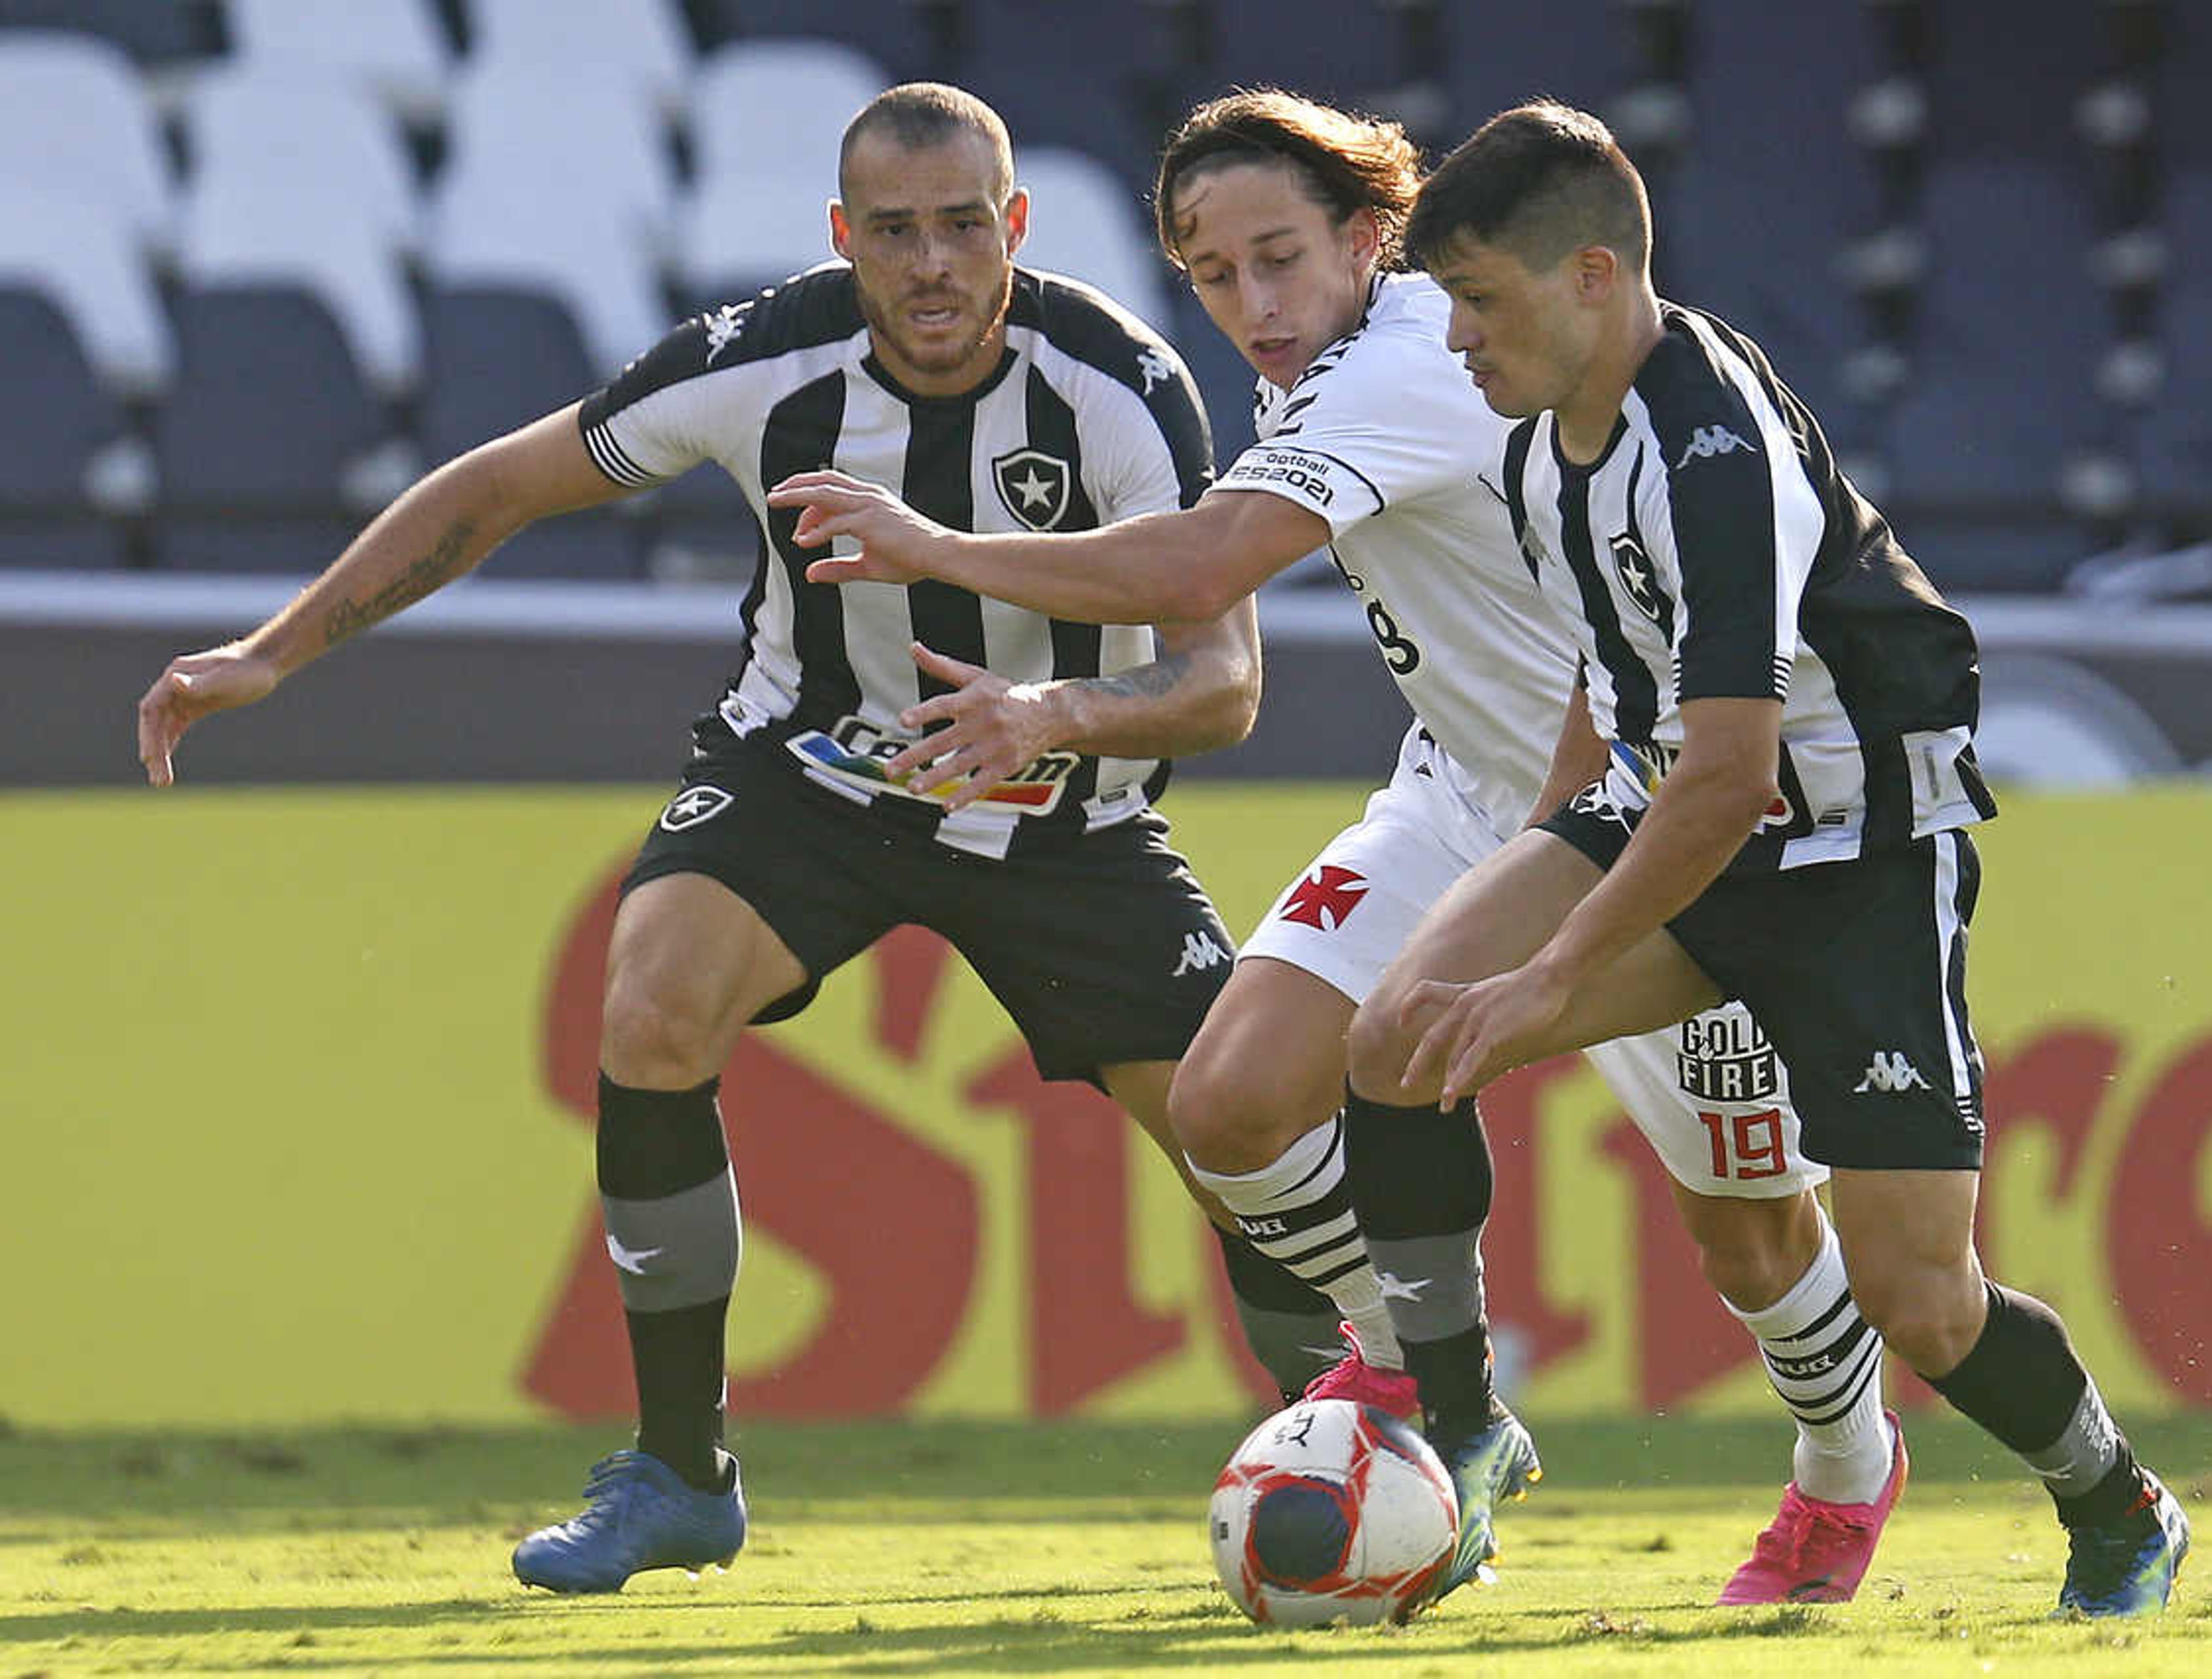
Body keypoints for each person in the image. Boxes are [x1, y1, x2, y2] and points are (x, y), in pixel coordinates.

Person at [133, 83, 1350, 1593]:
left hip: (1061, 808)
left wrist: (1053, 716)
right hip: (820, 776)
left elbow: (1224, 680)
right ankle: (678, 1470)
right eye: (894, 233)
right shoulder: (763, 360)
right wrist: (276, 649)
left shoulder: (1118, 382)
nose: (932, 266)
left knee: (1243, 1132)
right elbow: (502, 482)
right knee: (651, 999)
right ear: (843, 238)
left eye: (964, 227)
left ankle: (1370, 1456)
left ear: (1014, 227)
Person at [766, 89, 1906, 1615]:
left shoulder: (1422, 357)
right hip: (1459, 795)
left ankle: (1846, 1468)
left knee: (1750, 1232)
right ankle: (1436, 1384)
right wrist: (1051, 700)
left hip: (1640, 815)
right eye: (1216, 273)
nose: (1254, 305)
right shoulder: (1337, 369)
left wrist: (934, 543)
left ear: (1372, 238)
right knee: (1231, 1098)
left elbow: (1201, 562)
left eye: (1281, 258)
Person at [1361, 100, 2190, 1617]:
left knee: (1919, 1300)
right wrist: (1542, 853)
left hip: (1858, 853)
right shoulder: (1546, 437)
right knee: (1401, 1030)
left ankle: (2116, 1499)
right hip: (1687, 807)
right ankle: (1465, 1432)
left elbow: (1737, 772)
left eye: (1479, 300)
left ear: (1593, 275)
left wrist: (1552, 968)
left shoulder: (1710, 453)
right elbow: (1615, 686)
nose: (1458, 337)